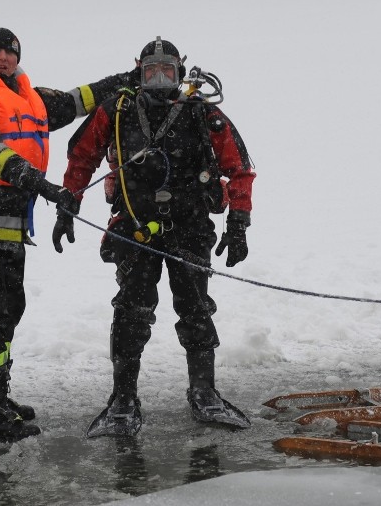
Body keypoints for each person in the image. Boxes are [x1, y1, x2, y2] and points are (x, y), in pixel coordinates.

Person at [52, 37, 256, 437]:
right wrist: (68, 203)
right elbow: (82, 156)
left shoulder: (202, 113)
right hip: (134, 226)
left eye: (167, 72)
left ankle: (204, 392)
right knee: (131, 311)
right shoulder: (118, 110)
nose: (159, 79)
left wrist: (238, 223)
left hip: (190, 227)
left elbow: (239, 169)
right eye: (151, 72)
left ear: (181, 73)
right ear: (138, 72)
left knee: (196, 308)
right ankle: (123, 398)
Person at [0, 27, 133, 443]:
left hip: (6, 227)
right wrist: (40, 184)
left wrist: (125, 80)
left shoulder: (27, 98)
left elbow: (76, 100)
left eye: (11, 53)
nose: (4, 59)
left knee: (8, 309)